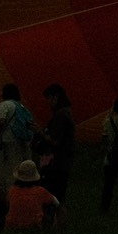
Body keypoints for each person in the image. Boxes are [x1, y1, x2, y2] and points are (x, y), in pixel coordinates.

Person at [41, 84, 76, 224]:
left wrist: (40, 133)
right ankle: (58, 225)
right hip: (64, 161)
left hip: (57, 162)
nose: (48, 102)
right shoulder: (67, 113)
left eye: (49, 98)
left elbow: (54, 140)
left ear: (55, 97)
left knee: (56, 196)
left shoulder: (61, 116)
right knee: (59, 195)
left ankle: (58, 225)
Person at [4, 159, 58, 229]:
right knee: (50, 206)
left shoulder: (12, 190)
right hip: (33, 227)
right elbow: (56, 203)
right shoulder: (40, 191)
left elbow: (7, 202)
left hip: (11, 227)